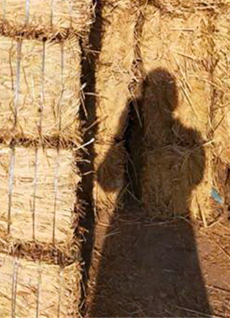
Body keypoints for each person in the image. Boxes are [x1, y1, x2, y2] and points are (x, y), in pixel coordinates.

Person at [88, 68, 212, 317]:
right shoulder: (191, 134)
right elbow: (197, 177)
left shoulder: (185, 133)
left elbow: (105, 181)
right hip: (181, 221)